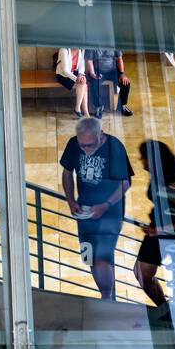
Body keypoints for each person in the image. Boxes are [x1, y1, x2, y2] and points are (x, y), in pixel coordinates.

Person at [60, 116, 134, 299]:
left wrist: (105, 205)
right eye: (82, 145)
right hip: (85, 213)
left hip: (110, 213)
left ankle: (109, 299)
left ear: (101, 135)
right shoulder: (73, 144)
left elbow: (125, 183)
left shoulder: (114, 147)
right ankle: (106, 295)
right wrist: (71, 201)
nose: (86, 150)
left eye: (90, 145)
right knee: (90, 257)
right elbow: (67, 173)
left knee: (103, 258)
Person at [134, 140, 175, 312]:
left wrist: (157, 230)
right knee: (142, 273)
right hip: (158, 230)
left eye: (144, 158)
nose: (142, 162)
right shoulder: (158, 177)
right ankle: (165, 309)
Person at [85, 47, 133, 117]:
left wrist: (122, 73)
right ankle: (99, 107)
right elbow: (89, 61)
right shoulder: (92, 44)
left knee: (125, 83)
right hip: (97, 71)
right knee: (94, 84)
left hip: (112, 70)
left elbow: (119, 59)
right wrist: (92, 74)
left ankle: (122, 106)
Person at [55, 47, 89, 116]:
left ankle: (83, 110)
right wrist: (76, 79)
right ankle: (81, 110)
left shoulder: (82, 49)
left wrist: (81, 74)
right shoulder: (64, 50)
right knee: (83, 85)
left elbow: (82, 63)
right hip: (62, 75)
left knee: (83, 84)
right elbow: (65, 70)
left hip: (74, 72)